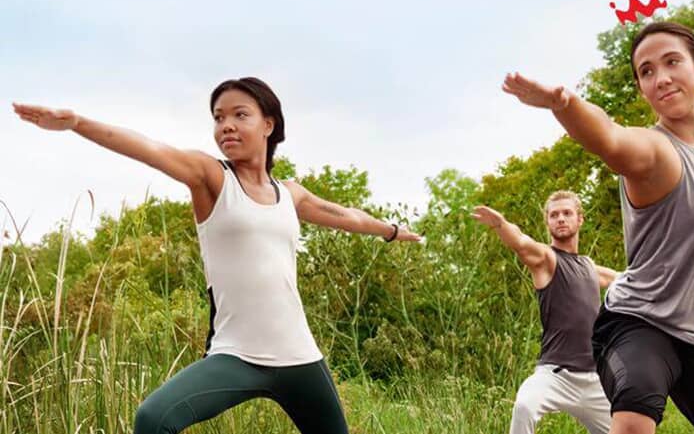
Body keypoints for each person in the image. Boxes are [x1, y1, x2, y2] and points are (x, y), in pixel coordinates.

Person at [12, 76, 421, 434]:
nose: (225, 125)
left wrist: (391, 230)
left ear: (268, 124)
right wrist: (78, 124)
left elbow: (344, 215)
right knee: (153, 419)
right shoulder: (210, 177)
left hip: (301, 358)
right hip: (237, 356)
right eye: (218, 117)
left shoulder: (289, 194)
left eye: (239, 115)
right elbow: (149, 149)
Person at [502, 21, 694, 434]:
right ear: (641, 88)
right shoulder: (654, 151)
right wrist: (562, 102)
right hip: (641, 321)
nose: (661, 78)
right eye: (647, 71)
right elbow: (609, 138)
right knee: (635, 417)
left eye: (672, 62)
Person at [472, 191, 617, 434]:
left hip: (595, 380)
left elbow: (626, 279)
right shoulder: (546, 259)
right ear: (547, 222)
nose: (560, 218)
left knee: (628, 428)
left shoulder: (589, 267)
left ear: (579, 219)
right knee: (525, 407)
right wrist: (501, 224)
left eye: (567, 213)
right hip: (556, 376)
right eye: (554, 215)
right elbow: (520, 242)